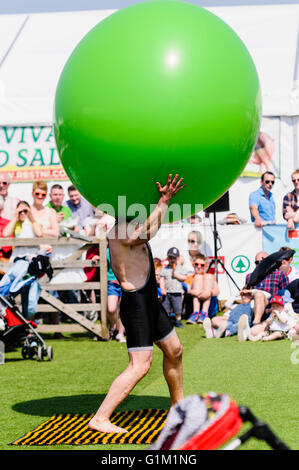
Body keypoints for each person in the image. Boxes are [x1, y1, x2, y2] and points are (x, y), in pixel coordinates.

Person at [88, 174, 185, 434]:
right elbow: (145, 235)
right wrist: (164, 200)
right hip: (136, 304)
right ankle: (100, 418)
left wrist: (160, 200)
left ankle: (178, 408)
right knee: (140, 364)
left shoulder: (131, 222)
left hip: (149, 301)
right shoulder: (120, 228)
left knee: (175, 350)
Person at [245, 251, 289, 324]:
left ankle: (256, 323)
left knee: (259, 293)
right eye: (256, 262)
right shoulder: (250, 276)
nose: (259, 264)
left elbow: (286, 296)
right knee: (258, 294)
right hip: (254, 306)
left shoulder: (280, 274)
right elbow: (247, 297)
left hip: (273, 306)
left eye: (262, 261)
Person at [186, 254, 219, 324]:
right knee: (198, 277)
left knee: (208, 276)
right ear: (193, 264)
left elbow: (217, 291)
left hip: (209, 305)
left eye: (202, 265)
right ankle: (196, 313)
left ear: (206, 266)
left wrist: (208, 293)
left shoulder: (210, 277)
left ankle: (204, 313)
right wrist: (196, 292)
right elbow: (187, 290)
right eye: (196, 264)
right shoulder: (189, 277)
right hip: (194, 302)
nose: (198, 267)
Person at [159, 247, 187, 329]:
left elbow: (184, 278)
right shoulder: (164, 269)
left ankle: (178, 320)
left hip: (177, 292)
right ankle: (166, 322)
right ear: (167, 258)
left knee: (177, 308)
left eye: (174, 258)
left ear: (177, 258)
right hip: (167, 292)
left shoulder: (180, 268)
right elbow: (162, 279)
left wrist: (176, 275)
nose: (172, 260)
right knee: (165, 308)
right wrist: (162, 289)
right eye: (170, 258)